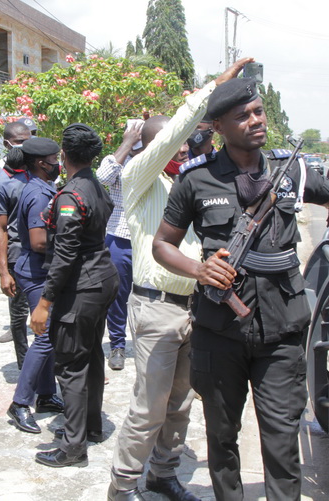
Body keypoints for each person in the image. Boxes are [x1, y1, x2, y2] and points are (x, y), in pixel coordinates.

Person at [152, 75, 329, 500]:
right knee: (222, 436)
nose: (255, 121)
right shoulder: (196, 180)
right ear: (218, 127)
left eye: (258, 111)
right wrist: (198, 271)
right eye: (242, 116)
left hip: (282, 330)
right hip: (220, 331)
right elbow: (163, 245)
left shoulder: (293, 170)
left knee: (282, 440)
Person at [108, 61, 251, 501]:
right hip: (155, 308)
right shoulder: (138, 180)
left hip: (195, 307)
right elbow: (170, 135)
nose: (186, 149)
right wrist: (211, 90)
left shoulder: (187, 184)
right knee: (148, 407)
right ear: (153, 149)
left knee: (180, 405)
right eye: (177, 144)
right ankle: (124, 484)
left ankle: (162, 475)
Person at [30, 123, 119, 468]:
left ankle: (73, 447)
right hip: (102, 280)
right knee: (91, 355)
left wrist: (44, 303)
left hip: (81, 287)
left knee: (70, 365)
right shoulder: (94, 185)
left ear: (64, 155)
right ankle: (90, 427)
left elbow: (64, 254)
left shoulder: (70, 195)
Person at [6, 137, 64, 435]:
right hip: (36, 272)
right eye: (56, 159)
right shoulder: (39, 194)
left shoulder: (40, 187)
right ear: (42, 163)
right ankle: (20, 403)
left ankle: (45, 394)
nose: (59, 163)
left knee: (48, 333)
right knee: (44, 336)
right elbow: (39, 241)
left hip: (37, 270)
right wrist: (70, 244)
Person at [96, 119, 144, 371]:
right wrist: (127, 144)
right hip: (119, 238)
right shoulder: (116, 161)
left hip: (148, 240)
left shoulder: (155, 159)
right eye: (133, 132)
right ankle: (117, 345)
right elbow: (102, 177)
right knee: (118, 296)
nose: (138, 136)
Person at [0, 147, 30, 368]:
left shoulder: (32, 177)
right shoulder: (1, 184)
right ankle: (25, 367)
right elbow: (0, 229)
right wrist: (3, 272)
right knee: (18, 316)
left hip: (40, 254)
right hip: (17, 257)